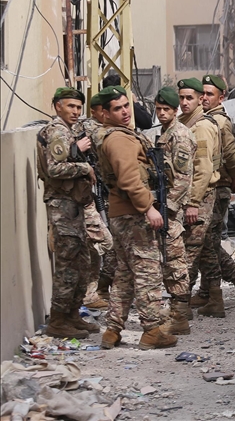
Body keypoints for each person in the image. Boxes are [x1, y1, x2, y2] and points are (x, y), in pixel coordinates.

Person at [96, 85, 177, 350]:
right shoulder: (119, 139)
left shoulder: (118, 135)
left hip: (123, 213)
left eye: (126, 106)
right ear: (105, 113)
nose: (124, 112)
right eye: (117, 108)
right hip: (133, 214)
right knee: (147, 272)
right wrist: (148, 208)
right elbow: (129, 179)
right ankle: (152, 331)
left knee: (124, 273)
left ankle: (112, 329)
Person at [36, 87, 99, 339]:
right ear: (57, 106)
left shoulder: (69, 131)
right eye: (70, 106)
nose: (75, 111)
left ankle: (72, 314)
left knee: (81, 261)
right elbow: (55, 169)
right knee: (67, 263)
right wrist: (84, 168)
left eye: (78, 107)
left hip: (73, 204)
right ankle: (58, 319)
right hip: (61, 205)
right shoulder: (57, 131)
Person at [193, 74, 235, 317]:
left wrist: (232, 177)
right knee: (208, 240)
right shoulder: (205, 119)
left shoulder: (219, 122)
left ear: (221, 97)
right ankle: (207, 290)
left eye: (210, 94)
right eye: (203, 93)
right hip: (215, 187)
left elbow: (230, 155)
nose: (205, 98)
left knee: (206, 241)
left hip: (217, 188)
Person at [151, 86, 197, 335]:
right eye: (158, 109)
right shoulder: (165, 133)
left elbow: (182, 178)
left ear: (175, 110)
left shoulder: (179, 135)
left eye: (166, 109)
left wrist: (166, 209)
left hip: (171, 210)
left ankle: (180, 315)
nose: (161, 113)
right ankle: (176, 311)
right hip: (164, 206)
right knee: (169, 260)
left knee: (175, 262)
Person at [177, 78, 223, 318]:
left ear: (199, 99)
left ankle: (180, 307)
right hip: (194, 197)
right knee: (205, 250)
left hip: (200, 197)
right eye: (181, 98)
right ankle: (215, 299)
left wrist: (193, 202)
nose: (184, 102)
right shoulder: (186, 123)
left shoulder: (201, 127)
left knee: (189, 252)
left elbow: (203, 170)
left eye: (190, 98)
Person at [73, 93, 116, 310]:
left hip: (92, 195)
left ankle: (91, 293)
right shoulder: (92, 129)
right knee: (104, 242)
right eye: (104, 111)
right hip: (82, 198)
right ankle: (89, 291)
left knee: (96, 246)